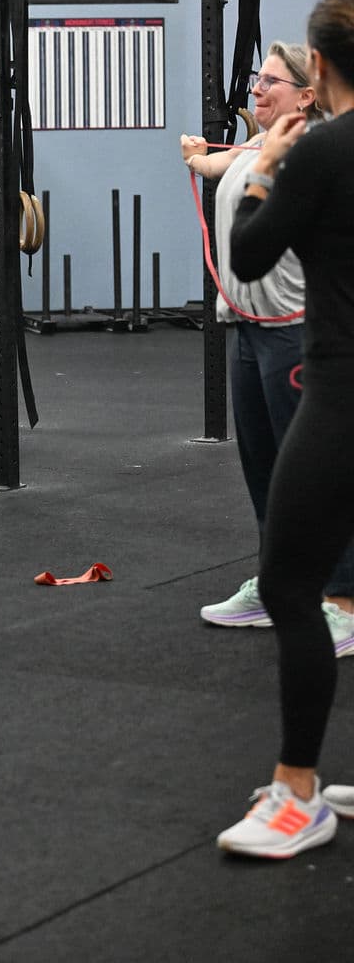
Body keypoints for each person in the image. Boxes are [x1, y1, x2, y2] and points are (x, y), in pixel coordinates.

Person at [214, 0, 354, 857]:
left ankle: (299, 794)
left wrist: (265, 165)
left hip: (343, 383)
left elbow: (252, 252)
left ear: (321, 64)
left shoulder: (323, 149)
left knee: (290, 584)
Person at [180, 42, 354, 652]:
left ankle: (342, 599)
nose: (257, 90)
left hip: (295, 330)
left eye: (271, 82)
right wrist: (201, 159)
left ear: (307, 96)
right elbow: (228, 163)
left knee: (315, 473)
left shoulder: (313, 150)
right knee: (264, 467)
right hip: (247, 329)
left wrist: (224, 160)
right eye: (257, 81)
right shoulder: (261, 147)